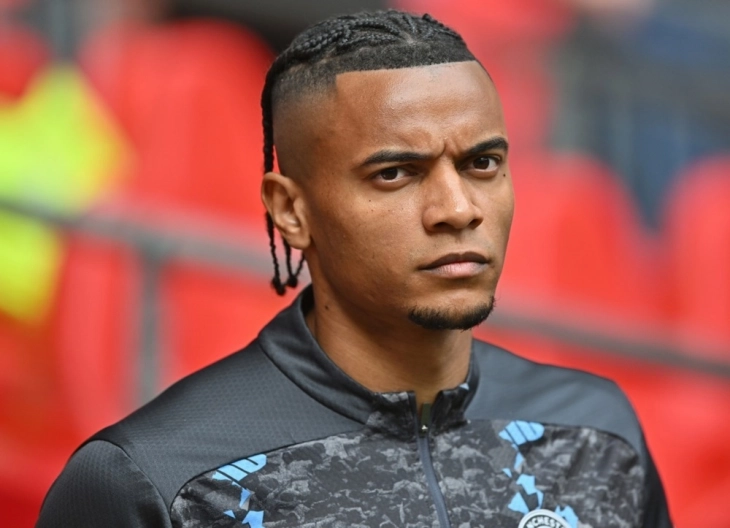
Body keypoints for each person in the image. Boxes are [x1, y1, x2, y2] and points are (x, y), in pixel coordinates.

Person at [36, 10, 672, 528]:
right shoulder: (152, 479)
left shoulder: (598, 431)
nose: (458, 209)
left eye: (481, 164)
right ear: (291, 211)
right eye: (394, 173)